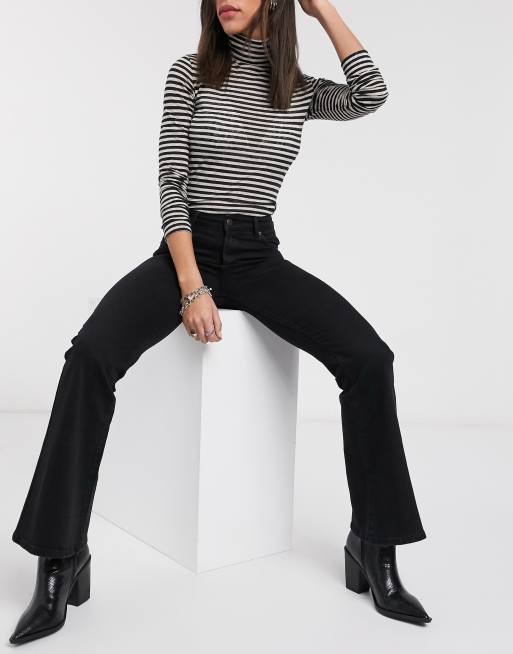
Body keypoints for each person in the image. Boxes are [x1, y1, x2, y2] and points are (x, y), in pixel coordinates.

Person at [9, 0, 431, 645]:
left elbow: (369, 94)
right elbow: (171, 182)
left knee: (370, 359)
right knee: (89, 356)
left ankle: (375, 546)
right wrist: (192, 286)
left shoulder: (296, 89)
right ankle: (60, 557)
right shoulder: (191, 72)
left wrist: (321, 9)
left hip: (259, 256)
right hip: (185, 251)